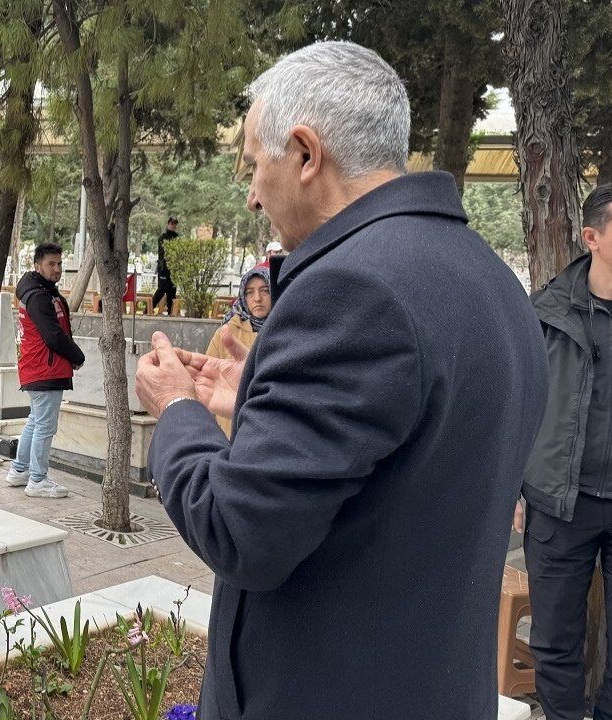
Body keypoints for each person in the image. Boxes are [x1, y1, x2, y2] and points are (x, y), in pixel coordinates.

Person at [133, 41, 548, 719]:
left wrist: (178, 409)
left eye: (255, 164)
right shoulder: (491, 279)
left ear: (305, 154)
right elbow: (407, 450)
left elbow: (240, 531)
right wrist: (259, 395)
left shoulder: (352, 291)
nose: (251, 194)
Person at [517, 182, 612, 720]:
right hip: (559, 503)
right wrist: (514, 487)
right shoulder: (545, 313)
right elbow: (517, 405)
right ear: (592, 237)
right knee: (555, 642)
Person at [5, 242, 85, 499]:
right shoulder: (39, 296)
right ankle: (38, 480)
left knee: (36, 421)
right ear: (37, 265)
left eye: (59, 263)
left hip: (39, 366)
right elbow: (52, 335)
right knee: (45, 426)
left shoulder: (42, 291)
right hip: (44, 368)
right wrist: (77, 356)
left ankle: (20, 470)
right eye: (51, 264)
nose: (57, 268)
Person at [203, 266, 270, 437]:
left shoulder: (286, 331)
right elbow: (207, 375)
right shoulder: (227, 332)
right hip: (230, 433)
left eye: (265, 291)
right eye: (249, 292)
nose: (257, 298)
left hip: (270, 431)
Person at [151, 217, 179, 315]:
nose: (173, 225)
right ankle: (149, 309)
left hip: (174, 268)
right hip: (163, 268)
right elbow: (163, 254)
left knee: (172, 291)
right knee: (161, 289)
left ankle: (171, 312)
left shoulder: (177, 238)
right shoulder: (162, 238)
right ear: (168, 224)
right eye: (172, 223)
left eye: (175, 224)